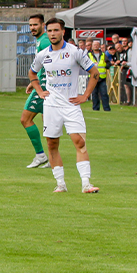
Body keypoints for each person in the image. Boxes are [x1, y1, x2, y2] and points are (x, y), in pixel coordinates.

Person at [29, 18, 100, 194]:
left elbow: (94, 73)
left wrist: (85, 95)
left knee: (79, 141)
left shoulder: (75, 52)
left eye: (56, 30)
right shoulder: (43, 54)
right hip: (51, 105)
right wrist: (39, 90)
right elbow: (32, 72)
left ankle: (86, 184)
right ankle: (60, 183)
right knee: (52, 144)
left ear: (63, 32)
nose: (53, 34)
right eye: (50, 31)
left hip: (71, 105)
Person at [19, 14, 51, 169]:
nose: (32, 28)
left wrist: (37, 82)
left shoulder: (44, 41)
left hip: (44, 87)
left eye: (35, 25)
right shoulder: (41, 40)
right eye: (31, 25)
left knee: (25, 119)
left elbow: (50, 63)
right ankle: (51, 157)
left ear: (43, 25)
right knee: (48, 122)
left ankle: (41, 155)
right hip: (43, 84)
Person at [87, 40, 111, 111]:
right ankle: (95, 108)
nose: (96, 46)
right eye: (94, 45)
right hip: (92, 77)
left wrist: (105, 65)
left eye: (97, 45)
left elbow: (108, 64)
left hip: (102, 77)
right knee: (94, 94)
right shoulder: (89, 55)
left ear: (99, 46)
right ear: (92, 46)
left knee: (104, 94)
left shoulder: (103, 55)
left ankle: (106, 108)